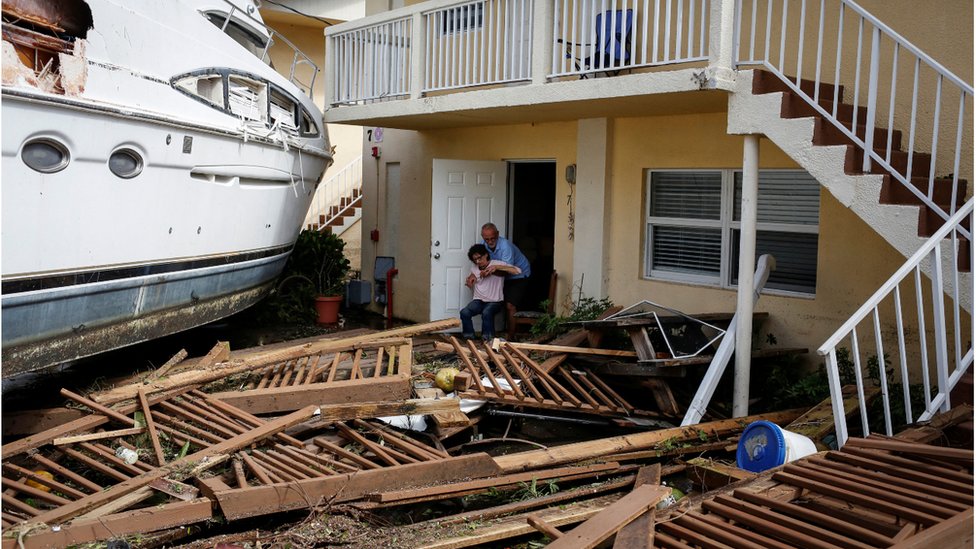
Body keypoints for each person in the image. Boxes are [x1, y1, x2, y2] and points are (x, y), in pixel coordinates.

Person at [469, 222, 532, 322]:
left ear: (497, 234)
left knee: (510, 305)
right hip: (501, 276)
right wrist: (473, 275)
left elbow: (508, 271)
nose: (490, 242)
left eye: (493, 238)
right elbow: (478, 264)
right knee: (493, 302)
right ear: (483, 237)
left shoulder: (505, 246)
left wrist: (489, 271)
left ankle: (511, 336)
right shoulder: (482, 245)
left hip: (519, 275)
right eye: (487, 239)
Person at [460, 244, 521, 341]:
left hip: (495, 301)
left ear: (486, 255)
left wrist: (495, 268)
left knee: (487, 312)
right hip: (478, 300)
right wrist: (470, 280)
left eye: (479, 258)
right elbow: (473, 275)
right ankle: (469, 337)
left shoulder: (496, 263)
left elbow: (517, 271)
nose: (478, 262)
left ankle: (488, 339)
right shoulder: (474, 267)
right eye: (475, 260)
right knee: (464, 312)